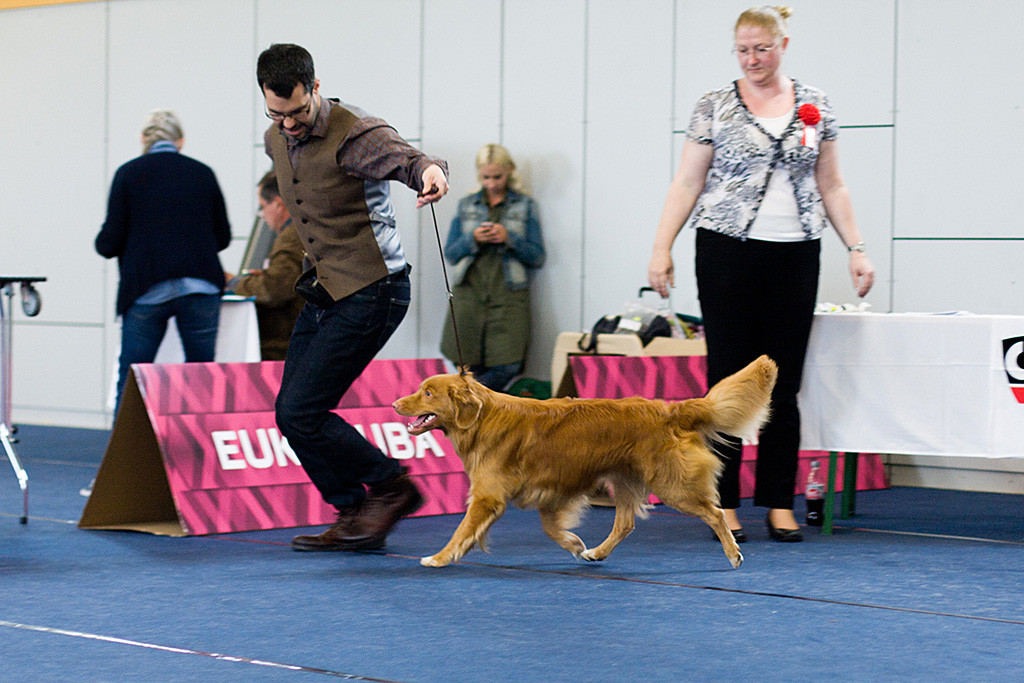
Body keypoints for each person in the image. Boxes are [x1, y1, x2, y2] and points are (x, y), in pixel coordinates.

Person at [647, 6, 875, 543]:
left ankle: (778, 501)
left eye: (762, 49)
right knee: (726, 381)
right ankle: (722, 504)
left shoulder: (816, 104)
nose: (753, 60)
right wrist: (662, 248)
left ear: (784, 45)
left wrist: (857, 249)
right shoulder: (714, 105)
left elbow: (833, 184)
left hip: (796, 253)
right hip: (726, 252)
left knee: (783, 383)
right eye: (743, 51)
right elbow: (686, 183)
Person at [256, 43, 449, 552]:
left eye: (297, 112)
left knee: (302, 411)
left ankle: (391, 487)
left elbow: (407, 158)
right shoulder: (274, 138)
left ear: (315, 88)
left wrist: (430, 172)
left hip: (374, 289)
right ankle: (351, 511)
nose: (289, 124)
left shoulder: (355, 132)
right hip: (324, 288)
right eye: (277, 114)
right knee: (290, 414)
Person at [96, 109, 231, 419]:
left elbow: (110, 241)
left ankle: (125, 458)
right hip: (201, 284)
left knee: (133, 376)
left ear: (144, 139)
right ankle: (203, 451)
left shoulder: (128, 174)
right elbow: (221, 236)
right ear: (180, 141)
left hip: (146, 286)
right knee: (201, 374)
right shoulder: (203, 173)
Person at [440, 144, 546, 391]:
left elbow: (537, 256)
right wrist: (473, 239)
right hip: (469, 294)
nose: (491, 183)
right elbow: (451, 253)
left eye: (497, 176)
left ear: (509, 171)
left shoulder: (525, 206)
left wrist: (509, 239)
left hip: (509, 296)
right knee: (463, 360)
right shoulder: (466, 205)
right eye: (485, 177)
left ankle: (472, 398)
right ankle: (474, 406)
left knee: (507, 364)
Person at [225, 172, 304, 361]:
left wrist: (236, 284)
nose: (263, 215)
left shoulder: (291, 237)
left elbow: (275, 288)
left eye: (263, 207)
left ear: (278, 203)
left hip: (282, 346)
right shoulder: (305, 230)